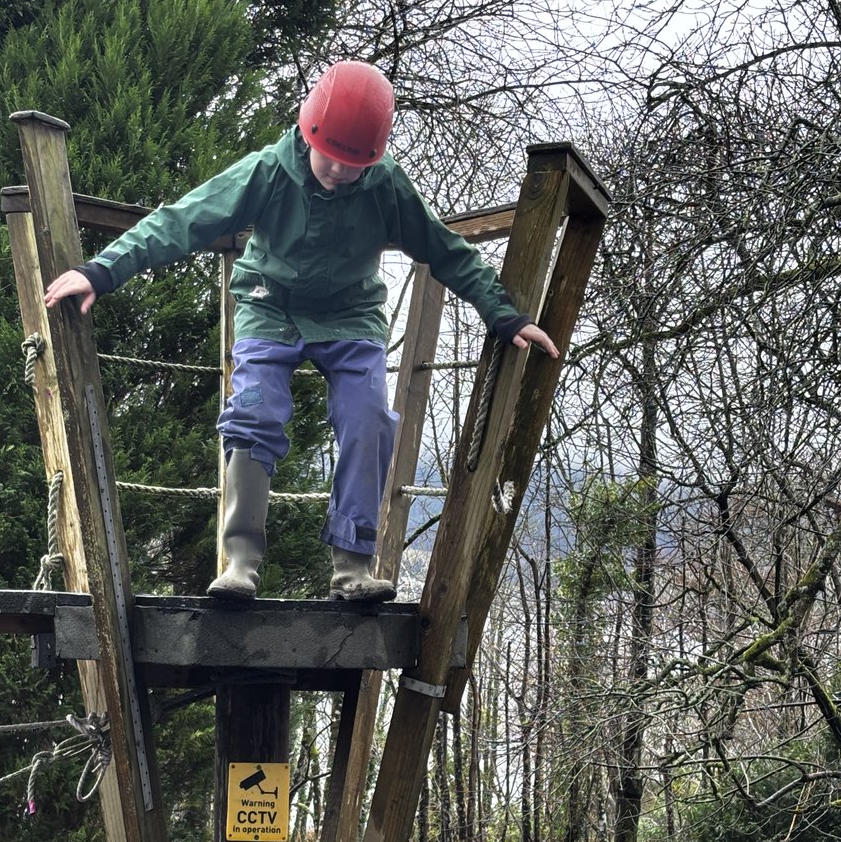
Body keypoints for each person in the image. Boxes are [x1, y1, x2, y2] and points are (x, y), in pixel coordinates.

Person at [45, 60, 559, 603]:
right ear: (307, 133)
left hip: (351, 314)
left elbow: (447, 251)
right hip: (271, 307)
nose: (337, 171)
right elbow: (182, 220)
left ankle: (353, 566)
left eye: (352, 164)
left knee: (369, 418)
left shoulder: (386, 187)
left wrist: (507, 316)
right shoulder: (267, 171)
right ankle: (240, 561)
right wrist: (101, 270)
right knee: (254, 414)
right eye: (329, 157)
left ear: (374, 159)